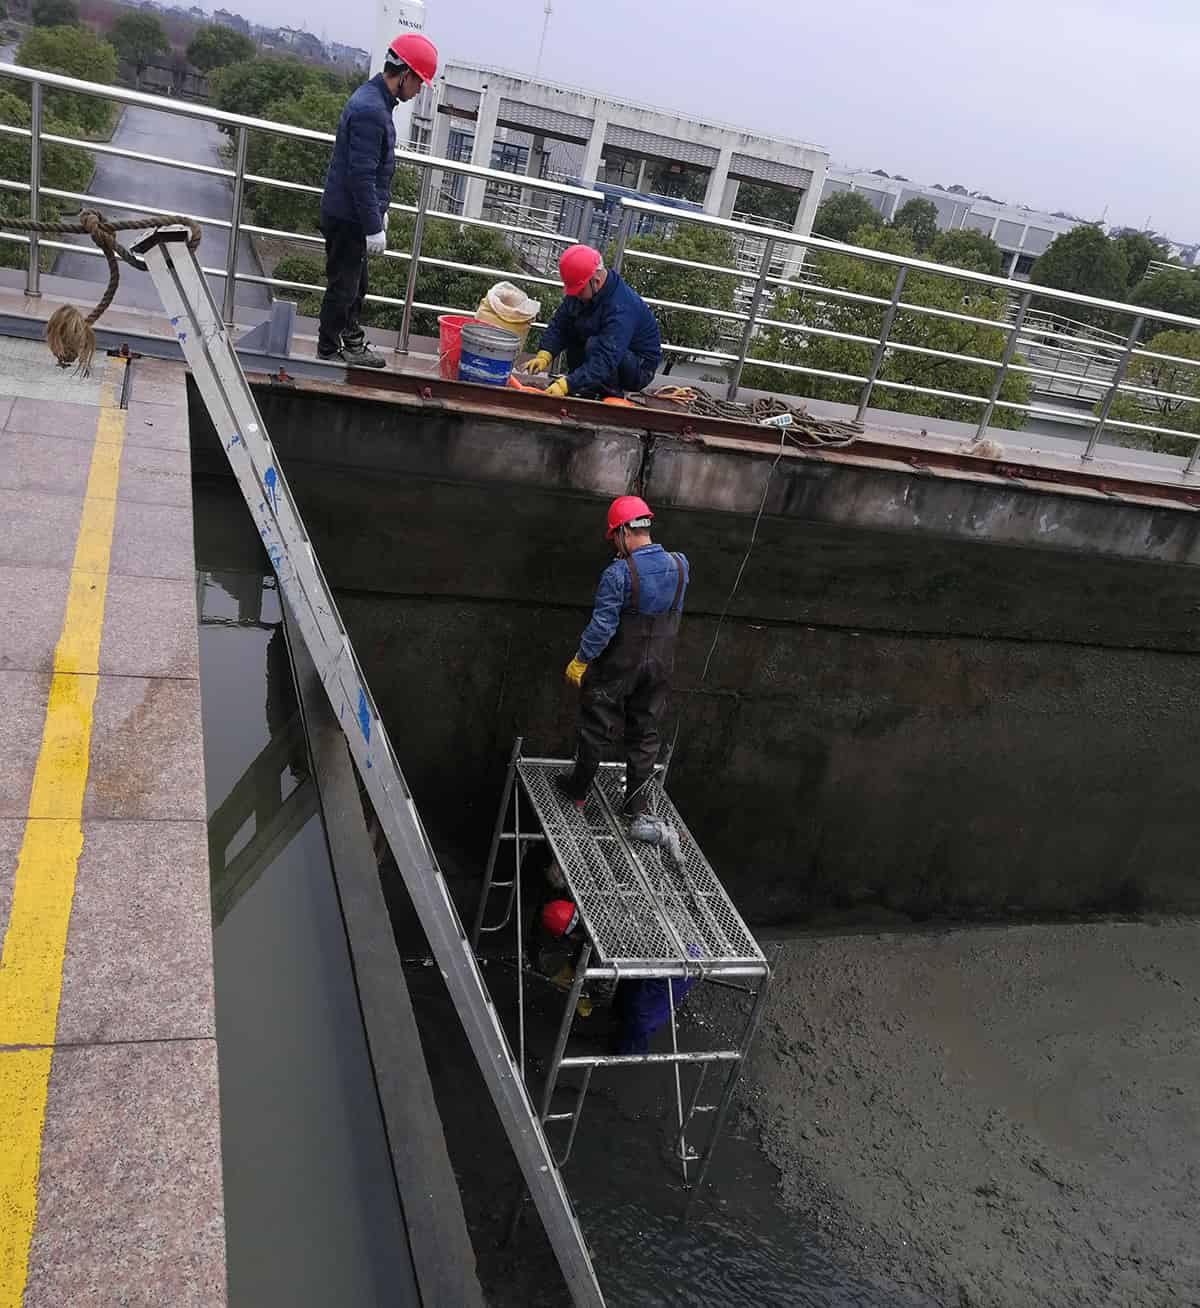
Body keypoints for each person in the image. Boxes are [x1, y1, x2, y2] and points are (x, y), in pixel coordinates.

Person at [555, 496, 688, 816]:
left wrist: (582, 659)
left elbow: (602, 627)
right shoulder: (681, 565)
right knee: (646, 729)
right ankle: (635, 804)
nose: (615, 543)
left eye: (615, 536)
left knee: (597, 724)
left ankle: (578, 790)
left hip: (619, 663)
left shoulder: (618, 574)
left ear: (626, 532)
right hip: (659, 664)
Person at [317, 32, 438, 368]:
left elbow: (368, 171)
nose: (417, 92)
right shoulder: (372, 110)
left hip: (351, 212)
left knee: (356, 285)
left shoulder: (376, 101)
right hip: (348, 216)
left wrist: (378, 214)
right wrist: (373, 225)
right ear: (404, 74)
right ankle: (329, 350)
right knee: (344, 286)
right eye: (418, 83)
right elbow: (361, 175)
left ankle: (350, 341)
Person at [523, 245, 661, 399]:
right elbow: (561, 323)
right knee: (579, 334)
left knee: (595, 345)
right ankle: (584, 389)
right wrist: (545, 354)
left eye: (580, 291)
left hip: (636, 366)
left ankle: (608, 396)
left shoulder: (621, 307)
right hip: (608, 351)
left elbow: (607, 356)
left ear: (596, 281)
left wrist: (567, 384)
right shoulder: (583, 289)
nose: (576, 295)